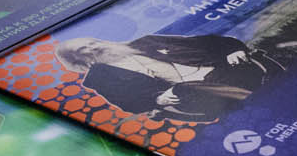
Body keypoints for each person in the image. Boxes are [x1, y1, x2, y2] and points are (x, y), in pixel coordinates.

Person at [54, 33, 283, 123]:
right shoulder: (101, 78)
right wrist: (157, 99)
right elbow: (127, 102)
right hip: (191, 95)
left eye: (93, 42)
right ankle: (261, 102)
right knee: (185, 89)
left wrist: (232, 50)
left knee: (243, 65)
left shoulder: (146, 41)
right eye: (84, 49)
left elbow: (207, 42)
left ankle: (262, 96)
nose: (94, 47)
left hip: (225, 70)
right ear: (78, 60)